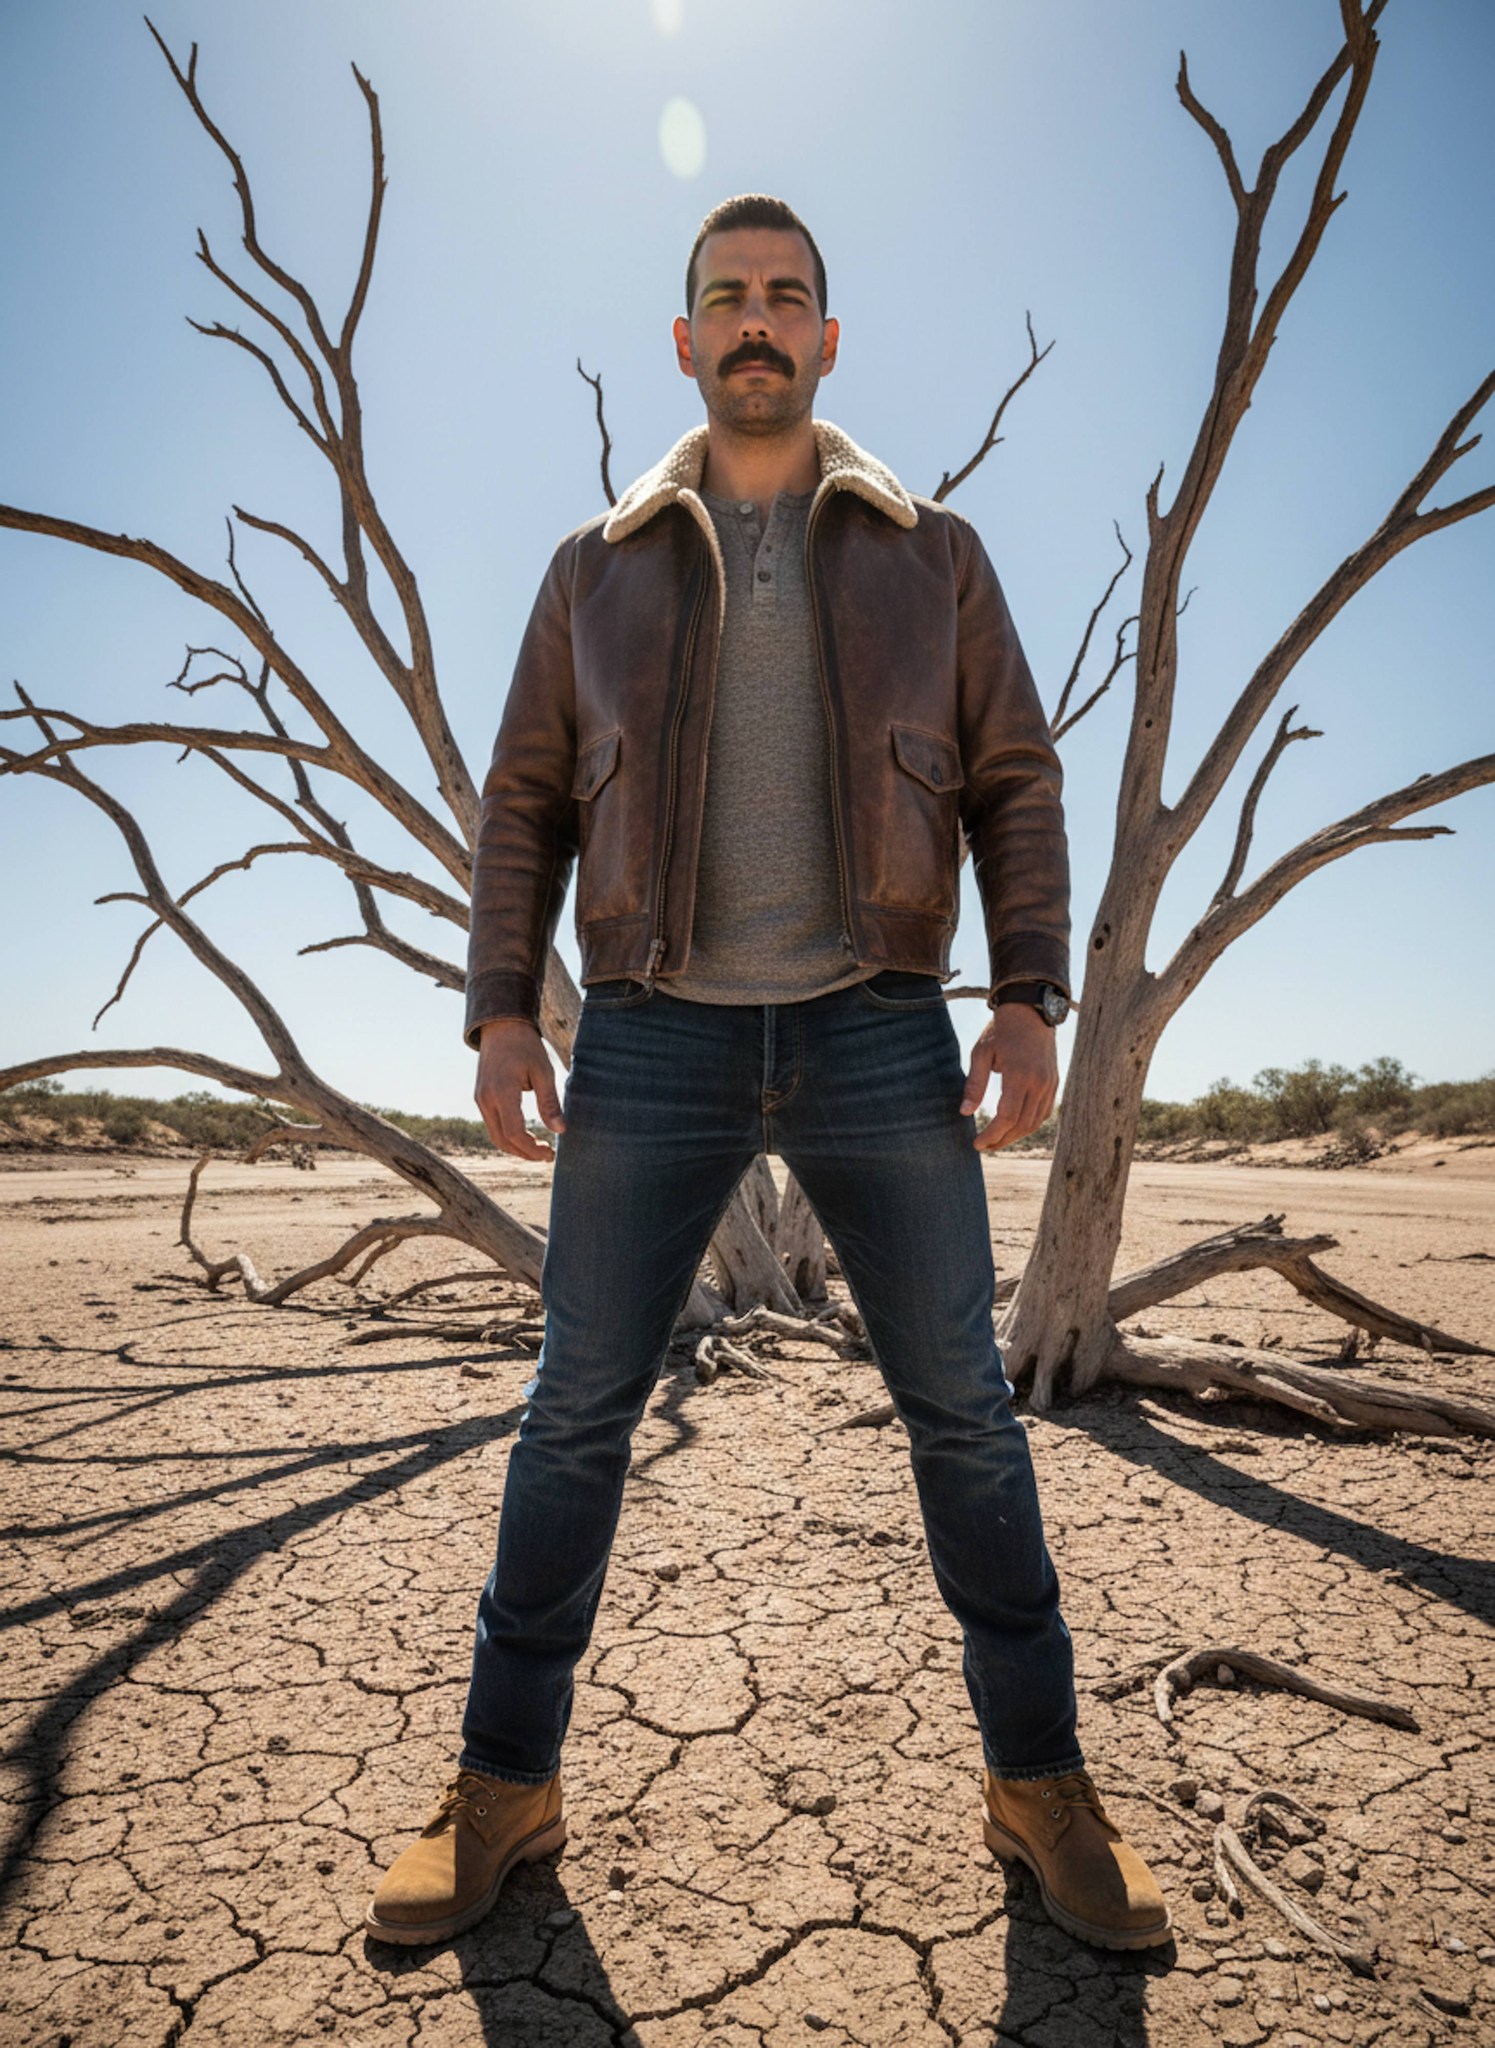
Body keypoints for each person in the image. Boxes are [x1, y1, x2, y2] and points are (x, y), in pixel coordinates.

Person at [365, 194, 1170, 1954]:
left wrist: (1029, 992)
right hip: (654, 1036)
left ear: (827, 338)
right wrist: (503, 1006)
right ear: (683, 343)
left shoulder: (927, 550)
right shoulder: (598, 563)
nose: (754, 321)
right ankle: (506, 1785)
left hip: (879, 1026)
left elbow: (1016, 778)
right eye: (724, 298)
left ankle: (1039, 1787)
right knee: (575, 1408)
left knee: (961, 1409)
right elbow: (524, 799)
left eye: (785, 298)